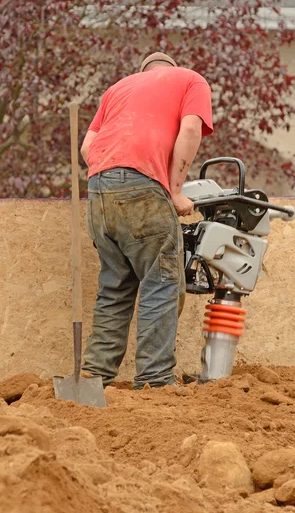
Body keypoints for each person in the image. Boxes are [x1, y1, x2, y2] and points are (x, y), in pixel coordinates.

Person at [79, 52, 213, 389]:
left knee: (115, 287)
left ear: (143, 73)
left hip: (98, 189)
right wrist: (176, 190)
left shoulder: (118, 88)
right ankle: (154, 379)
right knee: (162, 281)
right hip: (142, 185)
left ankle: (94, 378)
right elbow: (192, 127)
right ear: (170, 69)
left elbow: (87, 148)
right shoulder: (190, 79)